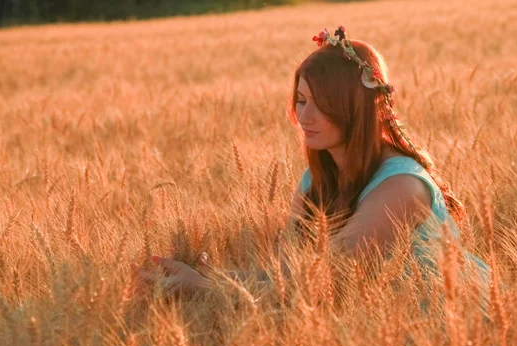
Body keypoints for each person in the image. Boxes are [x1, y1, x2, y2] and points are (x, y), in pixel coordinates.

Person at [134, 26, 488, 296]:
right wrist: (205, 275)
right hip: (384, 333)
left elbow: (322, 280)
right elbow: (287, 274)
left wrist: (207, 286)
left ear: (357, 108)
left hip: (457, 330)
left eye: (322, 103)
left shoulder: (402, 188)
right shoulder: (316, 179)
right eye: (301, 100)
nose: (305, 117)